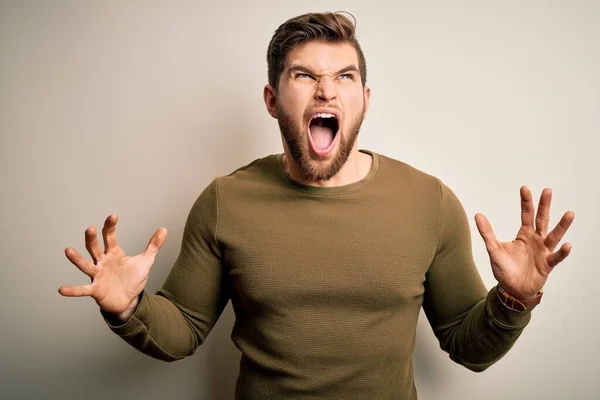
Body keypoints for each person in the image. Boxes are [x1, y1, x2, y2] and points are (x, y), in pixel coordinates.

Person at [58, 11, 575, 400]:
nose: (326, 91)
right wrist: (129, 309)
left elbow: (469, 346)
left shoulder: (429, 202)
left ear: (365, 101)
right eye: (304, 75)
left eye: (345, 77)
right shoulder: (225, 201)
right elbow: (182, 332)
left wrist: (514, 301)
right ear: (271, 99)